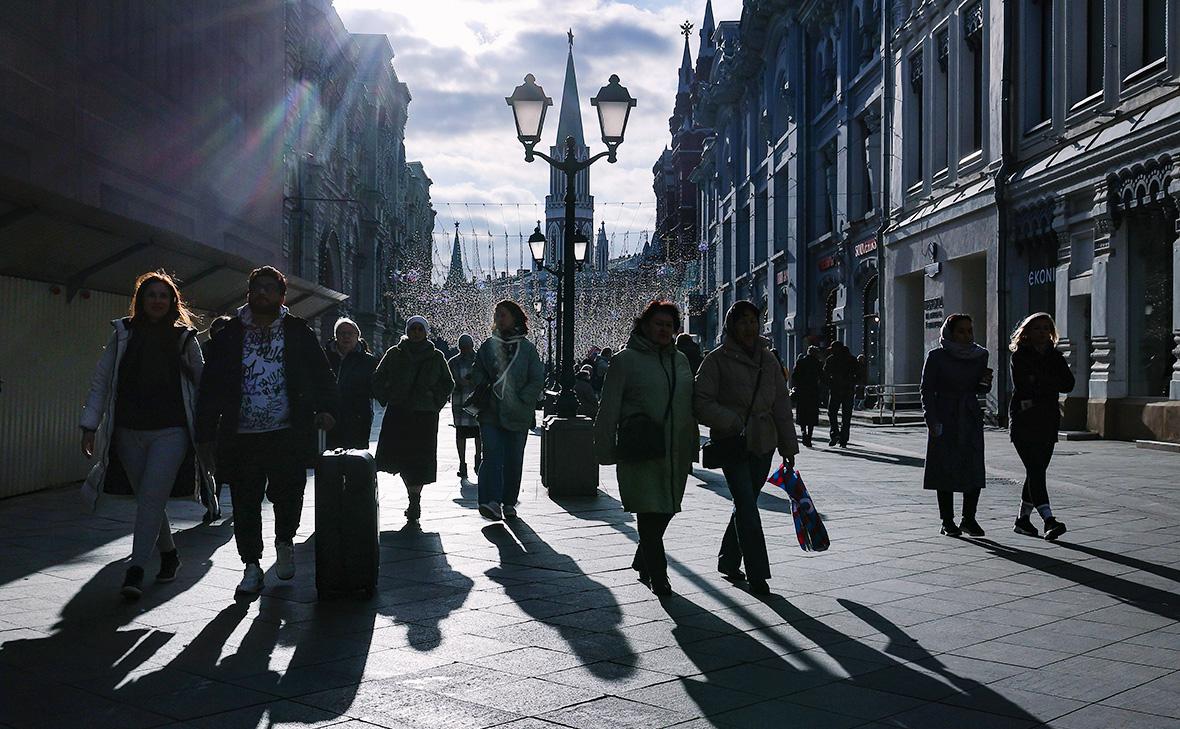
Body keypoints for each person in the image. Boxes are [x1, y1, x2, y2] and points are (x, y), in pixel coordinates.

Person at [195, 266, 339, 596]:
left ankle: (285, 540)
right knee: (245, 502)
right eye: (257, 288)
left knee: (289, 494)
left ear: (281, 296)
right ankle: (251, 565)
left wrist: (328, 409)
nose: (262, 293)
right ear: (249, 294)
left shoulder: (297, 330)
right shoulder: (229, 335)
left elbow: (322, 374)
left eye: (269, 289)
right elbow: (211, 387)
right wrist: (204, 433)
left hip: (287, 432)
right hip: (241, 435)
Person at [80, 270, 209, 600]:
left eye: (163, 296)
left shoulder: (184, 338)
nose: (157, 300)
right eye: (151, 295)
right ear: (140, 300)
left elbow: (203, 382)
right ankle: (169, 554)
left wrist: (210, 425)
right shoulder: (123, 333)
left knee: (151, 498)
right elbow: (101, 381)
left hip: (171, 431)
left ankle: (135, 570)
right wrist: (89, 425)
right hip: (128, 431)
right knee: (148, 499)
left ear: (172, 302)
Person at [694, 300, 799, 595]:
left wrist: (787, 446)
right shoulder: (716, 360)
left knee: (746, 502)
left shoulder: (769, 360)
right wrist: (731, 420)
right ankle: (757, 572)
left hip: (764, 442)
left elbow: (781, 404)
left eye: (753, 320)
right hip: (733, 442)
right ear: (731, 326)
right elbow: (701, 402)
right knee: (747, 504)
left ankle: (728, 560)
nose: (749, 327)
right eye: (742, 321)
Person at [594, 301, 697, 596]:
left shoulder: (680, 361)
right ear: (645, 326)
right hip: (640, 449)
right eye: (658, 324)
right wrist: (603, 448)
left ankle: (643, 558)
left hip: (674, 451)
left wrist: (691, 445)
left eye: (669, 325)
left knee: (665, 510)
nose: (664, 329)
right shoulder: (625, 360)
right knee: (648, 514)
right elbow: (609, 407)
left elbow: (689, 406)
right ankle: (659, 576)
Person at [373, 315, 453, 522]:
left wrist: (435, 399)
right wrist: (388, 394)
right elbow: (378, 377)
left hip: (424, 416)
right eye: (413, 329)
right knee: (399, 458)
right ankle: (412, 496)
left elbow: (448, 383)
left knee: (419, 461)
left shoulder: (436, 356)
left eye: (420, 329)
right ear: (407, 331)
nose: (416, 332)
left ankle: (415, 500)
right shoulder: (395, 353)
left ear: (426, 332)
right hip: (399, 413)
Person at [471, 300, 545, 520]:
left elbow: (537, 378)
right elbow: (477, 371)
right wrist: (483, 382)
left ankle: (509, 501)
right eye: (496, 315)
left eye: (502, 315)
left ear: (515, 317)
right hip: (491, 411)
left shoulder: (527, 348)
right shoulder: (488, 345)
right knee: (491, 454)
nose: (498, 319)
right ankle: (489, 501)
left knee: (514, 459)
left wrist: (524, 399)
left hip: (518, 413)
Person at [920, 313, 992, 537]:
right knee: (945, 468)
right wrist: (931, 419)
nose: (966, 335)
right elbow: (926, 390)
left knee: (973, 466)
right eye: (961, 331)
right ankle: (947, 520)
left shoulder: (980, 355)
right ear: (950, 333)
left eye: (969, 330)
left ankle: (969, 519)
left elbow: (980, 389)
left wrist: (985, 384)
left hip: (969, 415)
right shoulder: (937, 356)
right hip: (945, 414)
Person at [1008, 313, 1075, 541]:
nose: (1042, 332)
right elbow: (1023, 384)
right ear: (1027, 332)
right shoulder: (1020, 356)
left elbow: (1069, 383)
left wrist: (1039, 381)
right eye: (1037, 328)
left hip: (1048, 419)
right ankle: (1049, 520)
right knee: (1036, 469)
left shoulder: (1055, 356)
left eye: (1046, 328)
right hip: (1024, 420)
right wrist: (1046, 383)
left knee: (1036, 471)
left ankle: (1023, 520)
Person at [199, 314, 233, 523]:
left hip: (232, 416)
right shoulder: (205, 351)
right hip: (209, 415)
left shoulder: (240, 351)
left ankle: (223, 505)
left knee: (232, 464)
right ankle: (212, 504)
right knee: (208, 463)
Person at [325, 317, 377, 450]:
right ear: (335, 336)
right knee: (329, 462)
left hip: (357, 418)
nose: (346, 337)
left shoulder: (368, 361)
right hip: (329, 417)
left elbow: (376, 388)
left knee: (355, 461)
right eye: (342, 333)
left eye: (350, 333)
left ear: (358, 336)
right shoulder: (324, 357)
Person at [448, 334, 482, 481]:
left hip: (476, 402)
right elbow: (448, 381)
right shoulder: (453, 362)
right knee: (461, 434)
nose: (465, 350)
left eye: (467, 347)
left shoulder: (479, 361)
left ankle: (478, 459)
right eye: (463, 347)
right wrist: (457, 383)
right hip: (460, 403)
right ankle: (462, 464)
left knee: (478, 434)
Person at [823, 340, 858, 447]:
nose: (831, 351)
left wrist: (829, 383)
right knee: (846, 415)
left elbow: (824, 374)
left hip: (835, 390)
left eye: (833, 349)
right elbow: (859, 373)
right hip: (848, 390)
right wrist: (852, 382)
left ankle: (835, 434)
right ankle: (843, 439)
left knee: (832, 413)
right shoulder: (852, 359)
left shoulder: (831, 359)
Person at [790, 346, 823, 447]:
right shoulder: (818, 363)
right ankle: (809, 435)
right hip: (813, 392)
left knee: (802, 413)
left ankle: (803, 432)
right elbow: (822, 376)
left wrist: (796, 386)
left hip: (802, 392)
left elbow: (794, 376)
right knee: (812, 414)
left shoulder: (801, 362)